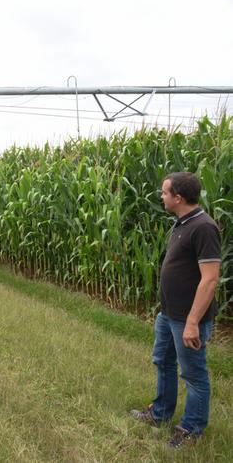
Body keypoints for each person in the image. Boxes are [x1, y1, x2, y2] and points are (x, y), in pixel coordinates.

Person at [130, 172, 221, 449]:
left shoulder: (203, 227)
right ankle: (160, 414)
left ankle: (191, 430)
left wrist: (193, 322)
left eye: (164, 192)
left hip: (188, 319)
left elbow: (210, 279)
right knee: (163, 362)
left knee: (193, 375)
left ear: (178, 197)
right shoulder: (182, 223)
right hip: (168, 314)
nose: (161, 196)